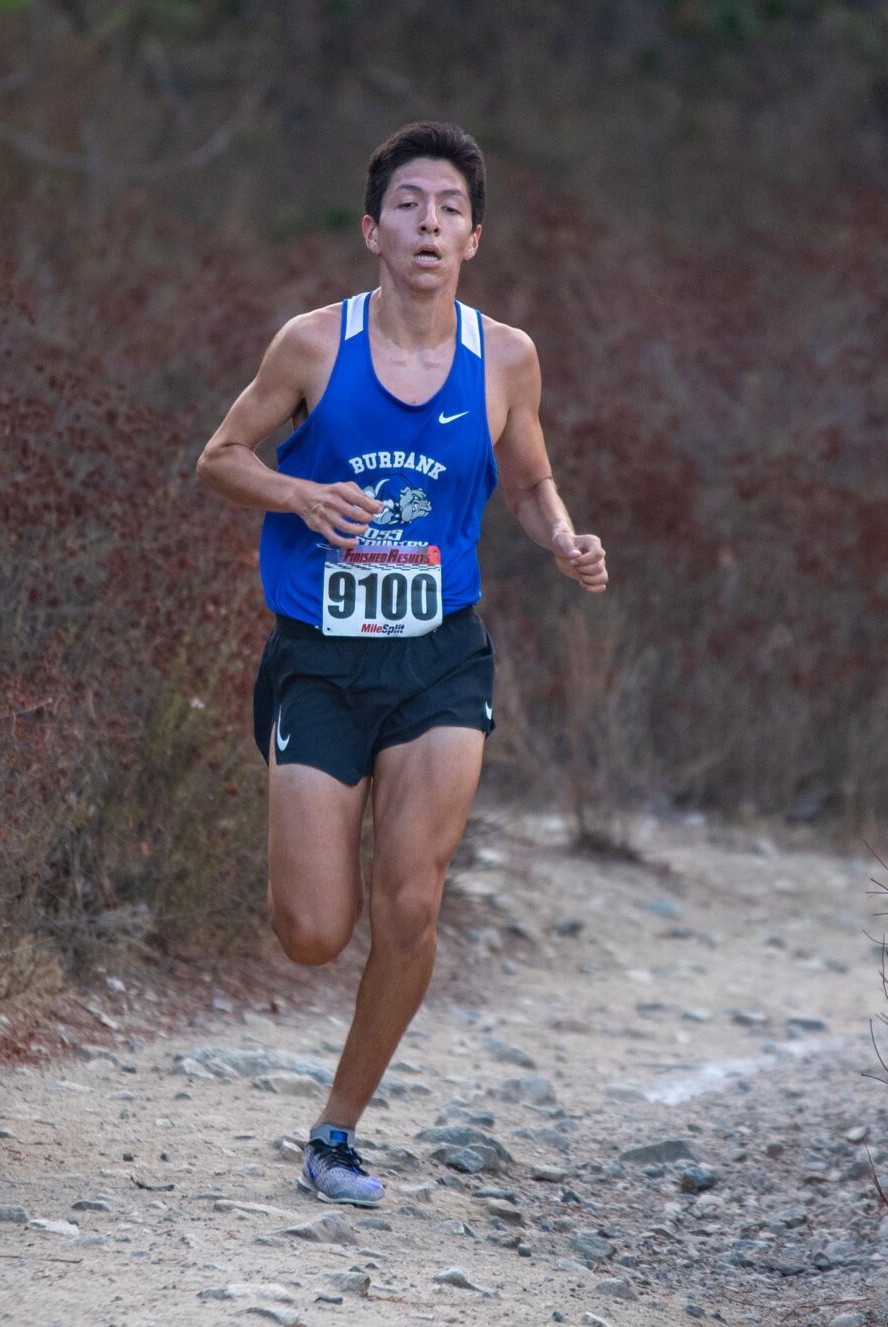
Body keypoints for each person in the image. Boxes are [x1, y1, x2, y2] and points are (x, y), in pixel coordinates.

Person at [195, 121, 607, 1204]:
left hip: (439, 662)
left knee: (412, 901)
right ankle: (307, 852)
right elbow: (220, 458)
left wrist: (562, 538)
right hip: (321, 659)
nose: (430, 223)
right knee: (312, 932)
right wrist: (298, 494)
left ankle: (336, 1132)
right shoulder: (311, 346)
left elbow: (529, 481)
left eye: (450, 209)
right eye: (410, 205)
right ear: (373, 230)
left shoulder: (505, 357)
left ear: (474, 238)